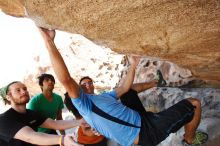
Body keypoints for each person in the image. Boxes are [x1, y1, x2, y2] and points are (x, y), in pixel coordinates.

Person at [39, 27, 208, 146]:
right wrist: (49, 42)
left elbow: (124, 88)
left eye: (88, 82)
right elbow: (66, 79)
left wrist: (133, 65)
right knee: (194, 103)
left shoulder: (100, 98)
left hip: (142, 119)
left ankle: (157, 84)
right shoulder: (84, 106)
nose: (83, 85)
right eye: (80, 85)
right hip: (146, 132)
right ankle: (190, 140)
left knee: (127, 93)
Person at [64, 76, 158, 146]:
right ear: (80, 91)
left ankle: (154, 83)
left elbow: (124, 88)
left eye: (90, 83)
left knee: (127, 90)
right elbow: (87, 129)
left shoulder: (100, 98)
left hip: (115, 132)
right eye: (84, 85)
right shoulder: (83, 108)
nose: (88, 85)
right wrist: (96, 128)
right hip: (94, 141)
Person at [0, 81, 84, 146]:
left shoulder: (31, 114)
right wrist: (62, 139)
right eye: (18, 90)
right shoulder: (4, 119)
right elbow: (30, 137)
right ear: (8, 97)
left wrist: (80, 122)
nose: (23, 92)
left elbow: (54, 124)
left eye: (25, 89)